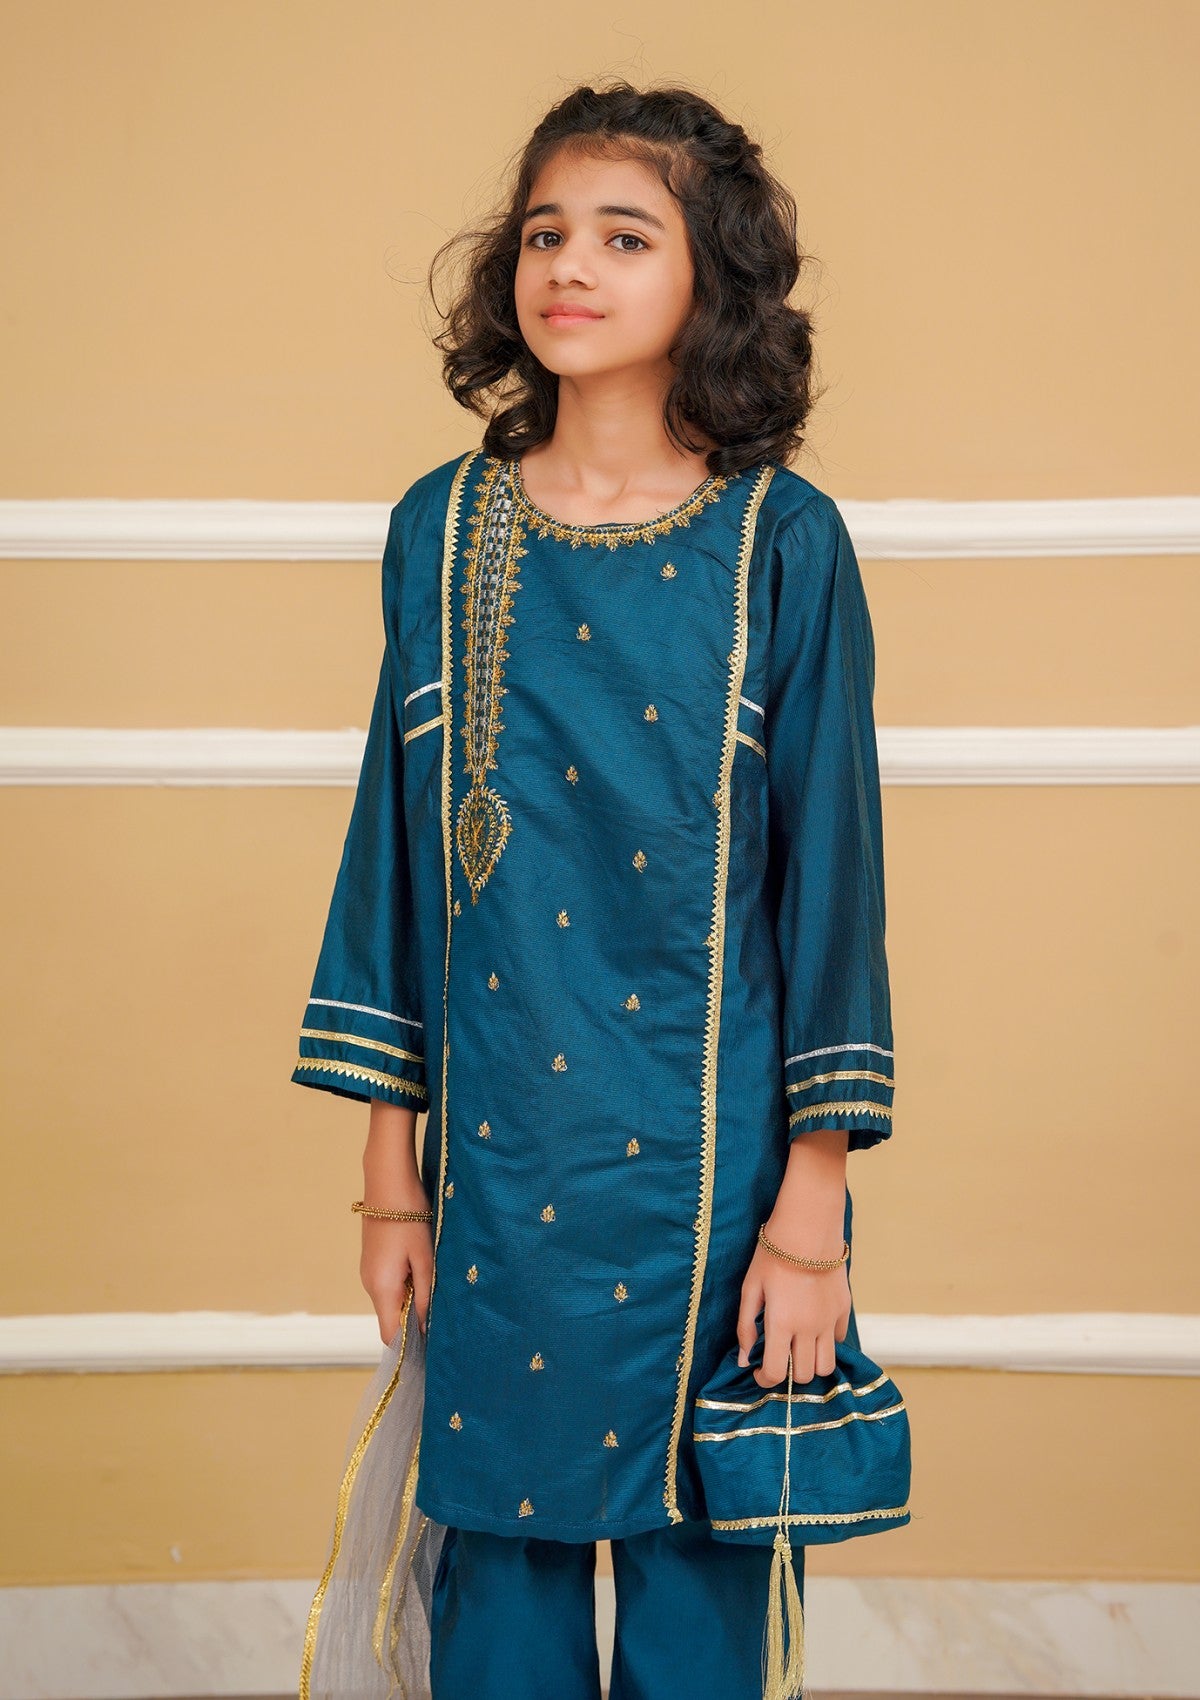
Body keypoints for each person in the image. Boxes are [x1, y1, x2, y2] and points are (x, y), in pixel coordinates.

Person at [292, 78, 896, 1700]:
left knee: (704, 1608)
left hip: (723, 1181)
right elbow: (396, 857)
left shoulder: (782, 542)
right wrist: (391, 1179)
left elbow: (831, 885)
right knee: (499, 1606)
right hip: (503, 1180)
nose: (570, 264)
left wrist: (814, 1214)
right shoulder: (443, 529)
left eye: (626, 237)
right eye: (547, 232)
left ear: (712, 277)